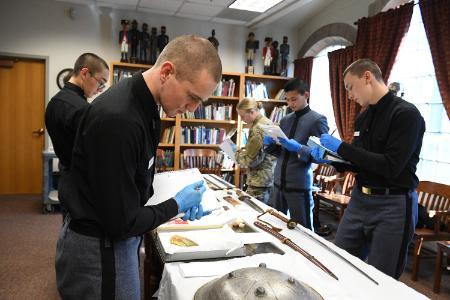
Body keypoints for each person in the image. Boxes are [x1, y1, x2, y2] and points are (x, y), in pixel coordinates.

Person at [55, 35, 222, 299]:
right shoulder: (120, 119)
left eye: (199, 102)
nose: (191, 109)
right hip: (100, 251)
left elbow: (135, 178)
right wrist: (175, 205)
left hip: (113, 241)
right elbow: (120, 222)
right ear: (167, 72)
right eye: (192, 97)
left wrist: (174, 198)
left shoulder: (147, 107)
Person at [312, 58, 425, 279]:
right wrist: (330, 159)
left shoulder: (406, 114)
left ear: (367, 77)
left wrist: (342, 148)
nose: (348, 95)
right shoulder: (363, 118)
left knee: (380, 278)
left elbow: (390, 166)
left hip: (392, 204)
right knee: (338, 264)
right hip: (360, 200)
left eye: (349, 87)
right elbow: (359, 161)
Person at [45, 53, 109, 216]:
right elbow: (94, 154)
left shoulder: (53, 102)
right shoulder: (82, 109)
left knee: (68, 224)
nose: (100, 89)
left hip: (65, 179)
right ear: (85, 73)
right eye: (100, 82)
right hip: (82, 185)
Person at [264, 79, 329, 230]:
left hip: (299, 185)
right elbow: (282, 153)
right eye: (287, 100)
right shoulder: (286, 119)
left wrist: (299, 148)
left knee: (303, 230)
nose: (290, 104)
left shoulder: (317, 120)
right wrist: (268, 145)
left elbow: (322, 156)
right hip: (279, 182)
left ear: (306, 95)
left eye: (294, 99)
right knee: (277, 226)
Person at [235, 98, 276, 203]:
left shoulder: (258, 128)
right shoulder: (267, 122)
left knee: (254, 213)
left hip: (259, 180)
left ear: (252, 112)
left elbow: (252, 160)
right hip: (268, 177)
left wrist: (237, 154)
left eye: (243, 116)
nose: (241, 119)